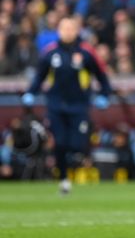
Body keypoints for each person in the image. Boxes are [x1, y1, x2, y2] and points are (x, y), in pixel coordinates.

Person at [21, 16, 112, 194]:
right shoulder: (50, 53)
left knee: (77, 145)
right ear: (59, 31)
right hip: (56, 106)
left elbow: (101, 76)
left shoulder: (86, 52)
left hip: (79, 106)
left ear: (77, 31)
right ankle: (63, 179)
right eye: (64, 29)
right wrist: (31, 92)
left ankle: (78, 169)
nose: (68, 32)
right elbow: (40, 76)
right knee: (60, 143)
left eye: (71, 29)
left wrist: (104, 94)